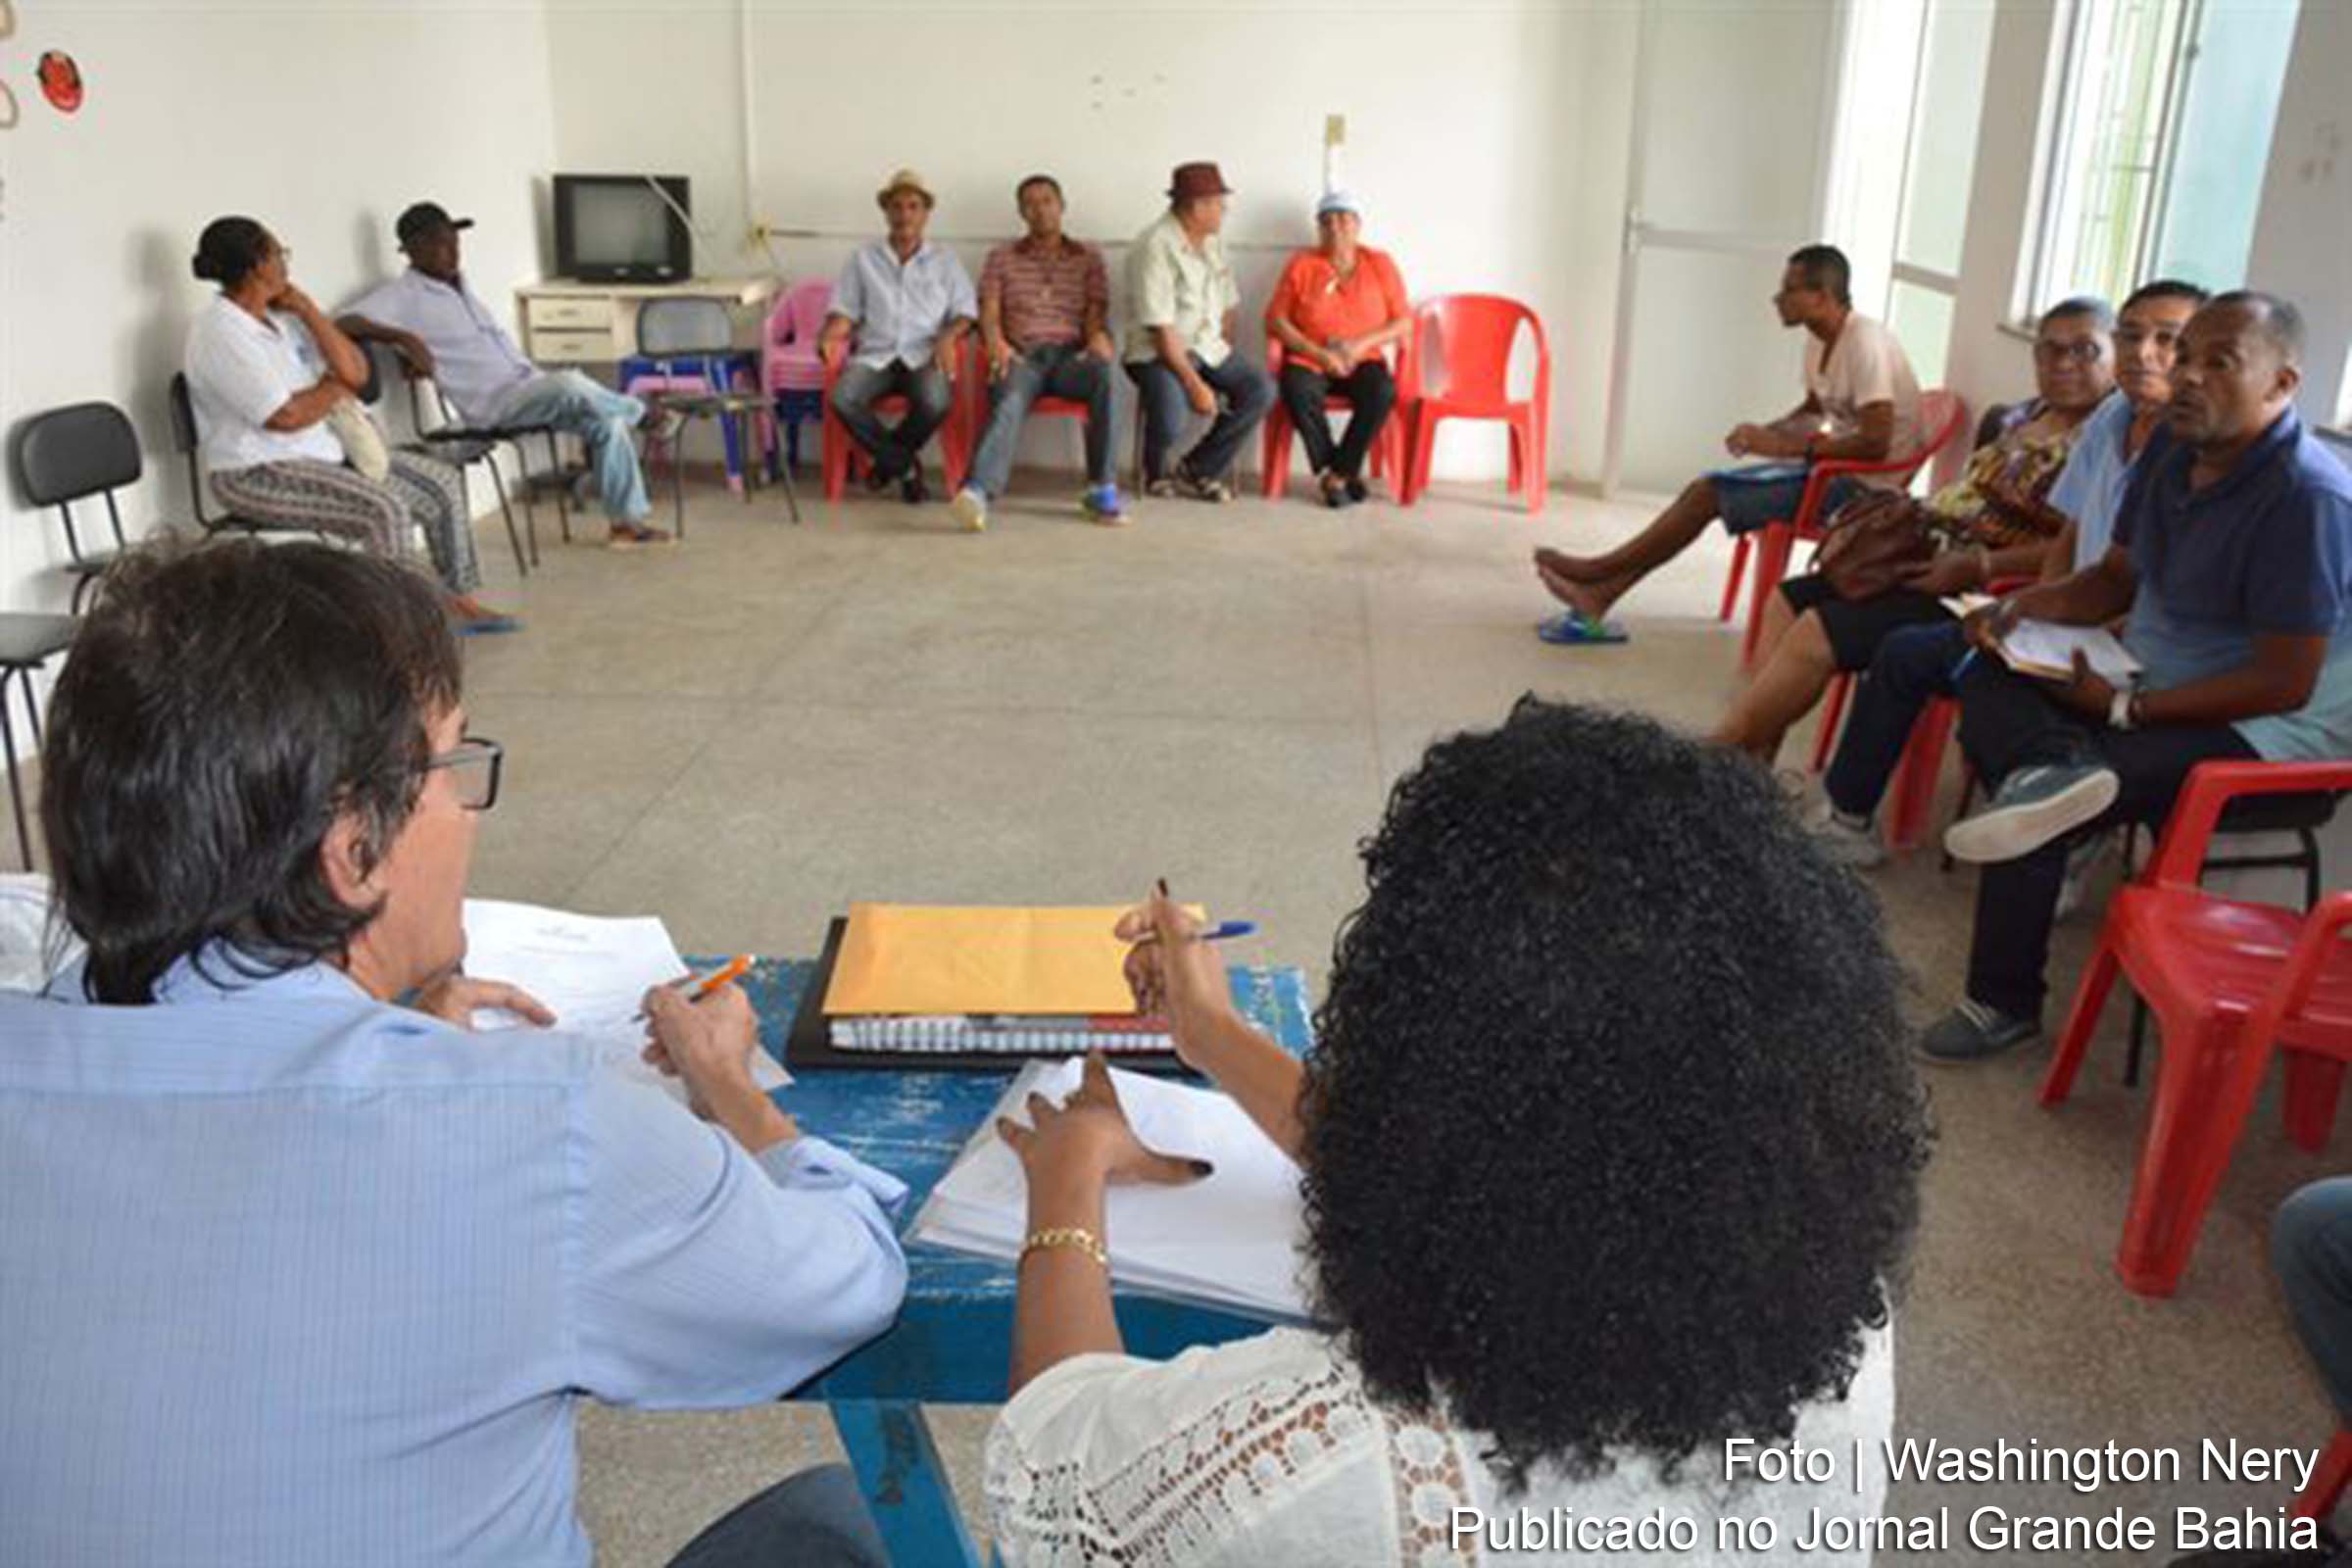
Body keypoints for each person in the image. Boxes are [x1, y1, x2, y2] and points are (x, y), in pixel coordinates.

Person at [0, 540, 907, 1566]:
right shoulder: (531, 1124)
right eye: (451, 767)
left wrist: (390, 1035)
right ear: (351, 849)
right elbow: (846, 1280)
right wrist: (735, 1091)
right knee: (837, 1524)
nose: (468, 813)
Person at [982, 701, 1929, 1564]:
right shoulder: (1830, 1307)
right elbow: (1521, 1158)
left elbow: (1047, 1474)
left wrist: (1069, 1176)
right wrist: (1213, 1036)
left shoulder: (1353, 1469)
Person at [1917, 292, 2352, 1064]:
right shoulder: (2171, 450)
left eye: (2219, 363)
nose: (2186, 378)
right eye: (2186, 357)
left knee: (2048, 791)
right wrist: (2019, 613)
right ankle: (2056, 771)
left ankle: (2001, 1001)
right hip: (2153, 675)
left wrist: (2126, 708)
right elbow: (2113, 580)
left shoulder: (2307, 499)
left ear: (2281, 385)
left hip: (2268, 729)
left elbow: (2285, 682)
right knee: (1985, 670)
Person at [1806, 281, 2209, 868]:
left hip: (2134, 643)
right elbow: (2069, 535)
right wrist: (2038, 613)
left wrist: (2079, 628)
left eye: (2168, 340)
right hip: (2076, 612)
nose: (2143, 353)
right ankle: (1848, 819)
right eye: (2131, 335)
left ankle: (2068, 838)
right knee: (1907, 653)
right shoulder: (2112, 417)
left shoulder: (2200, 451)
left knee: (2012, 695)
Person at [1713, 297, 2116, 763]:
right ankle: (1753, 758)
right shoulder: (2024, 415)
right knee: (1787, 599)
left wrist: (1976, 566)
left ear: (2116, 355)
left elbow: (2074, 549)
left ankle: (1717, 757)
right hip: (1914, 551)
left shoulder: (2105, 443)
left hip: (1970, 588)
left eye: (2085, 350)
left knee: (1815, 630)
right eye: (2049, 350)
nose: (2063, 363)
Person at [1533, 245, 1924, 644]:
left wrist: (1785, 448)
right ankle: (1598, 591)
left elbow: (1877, 442)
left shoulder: (1864, 342)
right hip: (1831, 471)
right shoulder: (1818, 340)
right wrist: (1765, 432)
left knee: (1708, 493)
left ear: (1822, 297)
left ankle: (1598, 572)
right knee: (1704, 487)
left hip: (1867, 493)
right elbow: (1813, 410)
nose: (1778, 298)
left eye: (1790, 290)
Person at [183, 216, 517, 632]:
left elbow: (355, 372)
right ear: (256, 266)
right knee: (385, 510)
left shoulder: (280, 321)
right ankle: (395, 631)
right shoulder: (220, 332)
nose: (286, 261)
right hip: (257, 473)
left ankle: (458, 600)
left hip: (324, 454)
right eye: (278, 253)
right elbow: (284, 417)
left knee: (441, 483)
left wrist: (307, 310)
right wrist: (333, 390)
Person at [339, 201, 679, 550]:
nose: (453, 252)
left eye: (455, 242)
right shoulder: (402, 296)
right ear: (413, 250)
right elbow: (341, 321)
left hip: (528, 388)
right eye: (441, 244)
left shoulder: (460, 287)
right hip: (495, 407)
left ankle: (625, 526)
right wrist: (403, 338)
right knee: (570, 382)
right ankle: (644, 413)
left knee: (606, 422)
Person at [952, 174, 1125, 532]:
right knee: (1009, 398)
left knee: (1106, 375)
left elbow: (1095, 312)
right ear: (1021, 213)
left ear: (1062, 206)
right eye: (1030, 203)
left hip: (1070, 357)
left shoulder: (1088, 257)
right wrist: (995, 341)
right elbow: (989, 310)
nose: (1040, 209)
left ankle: (1101, 488)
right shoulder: (1001, 257)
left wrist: (1096, 338)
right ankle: (977, 492)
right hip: (1022, 355)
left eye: (1047, 200)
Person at [819, 169, 976, 506]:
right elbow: (845, 311)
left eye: (913, 206)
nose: (904, 214)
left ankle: (886, 465)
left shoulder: (945, 260)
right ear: (886, 211)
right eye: (897, 206)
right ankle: (904, 468)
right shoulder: (863, 259)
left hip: (925, 356)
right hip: (876, 355)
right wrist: (830, 333)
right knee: (843, 397)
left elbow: (966, 313)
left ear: (925, 213)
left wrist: (947, 337)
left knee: (936, 401)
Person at [1125, 162, 1275, 503]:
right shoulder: (1154, 246)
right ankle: (1155, 472)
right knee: (1172, 414)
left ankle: (1199, 468)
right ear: (1197, 206)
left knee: (1260, 389)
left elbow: (1228, 306)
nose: (1225, 210)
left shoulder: (1212, 242)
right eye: (1219, 203)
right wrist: (1195, 383)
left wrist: (1220, 361)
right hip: (1156, 353)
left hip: (1206, 347)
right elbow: (1161, 328)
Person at [1263, 190, 1411, 509]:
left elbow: (1404, 322)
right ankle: (1340, 472)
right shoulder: (1302, 264)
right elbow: (1275, 319)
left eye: (1344, 219)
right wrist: (1319, 354)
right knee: (1296, 387)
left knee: (1382, 391)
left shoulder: (1380, 263)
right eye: (1327, 221)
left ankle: (1337, 474)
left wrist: (1360, 345)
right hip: (1310, 357)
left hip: (1363, 358)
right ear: (1319, 230)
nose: (1336, 228)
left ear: (1358, 226)